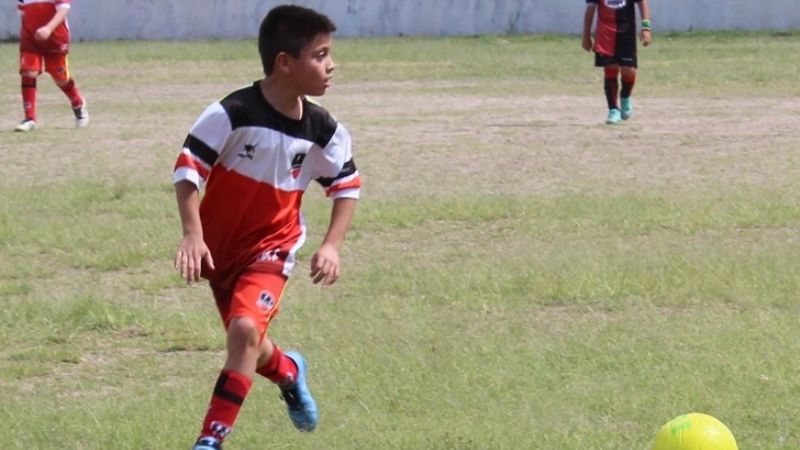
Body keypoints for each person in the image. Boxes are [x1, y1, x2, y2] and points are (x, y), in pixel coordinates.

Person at [173, 5, 361, 450]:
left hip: (272, 250)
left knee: (242, 332)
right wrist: (193, 234)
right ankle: (290, 372)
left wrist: (332, 245)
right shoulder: (233, 112)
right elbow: (188, 170)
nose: (331, 65)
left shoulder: (323, 129)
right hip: (219, 253)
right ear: (285, 62)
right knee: (250, 343)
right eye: (320, 55)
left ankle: (210, 440)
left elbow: (347, 186)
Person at [15, 0, 89, 132]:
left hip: (55, 38)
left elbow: (64, 9)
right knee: (28, 72)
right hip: (30, 39)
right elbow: (23, 13)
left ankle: (78, 101)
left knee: (61, 79)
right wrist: (25, 35)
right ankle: (30, 118)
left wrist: (48, 28)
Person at [582, 0, 652, 124]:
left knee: (629, 71)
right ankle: (613, 110)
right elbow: (590, 10)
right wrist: (586, 36)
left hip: (627, 33)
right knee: (610, 67)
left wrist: (646, 27)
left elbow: (642, 2)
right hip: (605, 34)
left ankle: (625, 96)